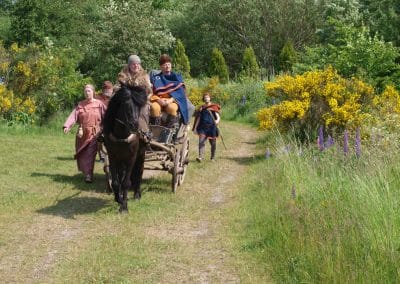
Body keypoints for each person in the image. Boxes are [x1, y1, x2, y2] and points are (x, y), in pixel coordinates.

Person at [63, 84, 106, 183]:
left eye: (89, 91)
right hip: (82, 133)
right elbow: (73, 116)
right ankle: (86, 171)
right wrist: (67, 126)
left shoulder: (99, 104)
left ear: (93, 92)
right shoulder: (81, 105)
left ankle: (88, 175)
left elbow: (107, 115)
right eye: (85, 91)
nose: (87, 93)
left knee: (90, 153)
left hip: (95, 133)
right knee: (82, 153)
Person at [115, 54, 152, 136]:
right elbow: (116, 88)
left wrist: (145, 99)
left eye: (138, 64)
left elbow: (149, 91)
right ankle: (108, 129)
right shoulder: (122, 76)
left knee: (144, 110)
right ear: (129, 65)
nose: (136, 66)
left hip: (141, 101)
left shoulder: (145, 76)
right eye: (133, 64)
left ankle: (145, 131)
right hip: (126, 101)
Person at [149, 54, 190, 128]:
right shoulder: (156, 78)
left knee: (172, 108)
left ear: (171, 65)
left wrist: (170, 100)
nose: (167, 66)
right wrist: (158, 100)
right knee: (154, 108)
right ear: (161, 67)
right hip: (159, 100)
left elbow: (180, 93)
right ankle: (155, 130)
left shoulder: (176, 77)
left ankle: (167, 131)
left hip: (172, 100)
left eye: (168, 64)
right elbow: (151, 92)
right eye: (165, 64)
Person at [193, 93, 221, 162]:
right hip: (203, 128)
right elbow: (198, 118)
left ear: (210, 98)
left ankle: (212, 157)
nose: (206, 98)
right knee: (201, 142)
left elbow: (218, 117)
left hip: (212, 128)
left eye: (207, 97)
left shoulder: (214, 107)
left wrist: (217, 121)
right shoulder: (202, 108)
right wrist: (195, 128)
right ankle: (200, 157)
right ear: (203, 99)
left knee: (213, 143)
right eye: (205, 97)